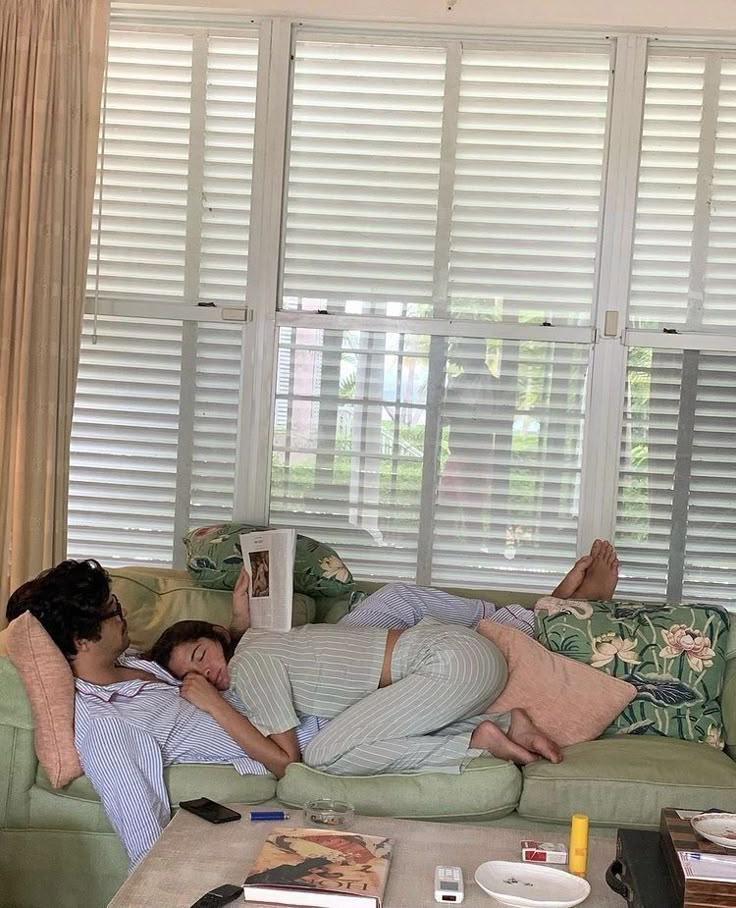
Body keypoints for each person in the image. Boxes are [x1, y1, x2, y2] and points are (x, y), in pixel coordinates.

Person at [5, 539, 619, 868]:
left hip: (308, 691)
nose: (123, 617)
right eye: (112, 613)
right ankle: (496, 707)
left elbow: (236, 673)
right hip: (302, 716)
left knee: (393, 612)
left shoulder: (136, 664)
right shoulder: (104, 717)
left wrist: (240, 634)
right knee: (332, 742)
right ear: (83, 639)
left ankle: (537, 620)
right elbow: (140, 825)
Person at [150, 541, 621, 777]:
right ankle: (503, 723)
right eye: (193, 676)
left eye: (202, 655)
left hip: (448, 662)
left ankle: (478, 740)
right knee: (362, 733)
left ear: (219, 636)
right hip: (452, 662)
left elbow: (286, 761)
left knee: (322, 755)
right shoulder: (257, 651)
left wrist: (214, 704)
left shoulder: (251, 659)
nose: (206, 673)